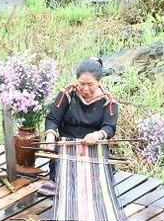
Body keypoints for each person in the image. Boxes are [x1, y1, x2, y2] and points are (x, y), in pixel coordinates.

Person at [39, 58, 118, 196]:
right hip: (67, 149)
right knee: (64, 180)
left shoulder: (108, 101)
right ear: (76, 80)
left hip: (92, 150)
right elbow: (52, 118)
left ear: (99, 82)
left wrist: (98, 135)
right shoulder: (68, 94)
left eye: (90, 84)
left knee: (95, 187)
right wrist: (50, 136)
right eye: (82, 84)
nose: (85, 89)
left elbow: (109, 127)